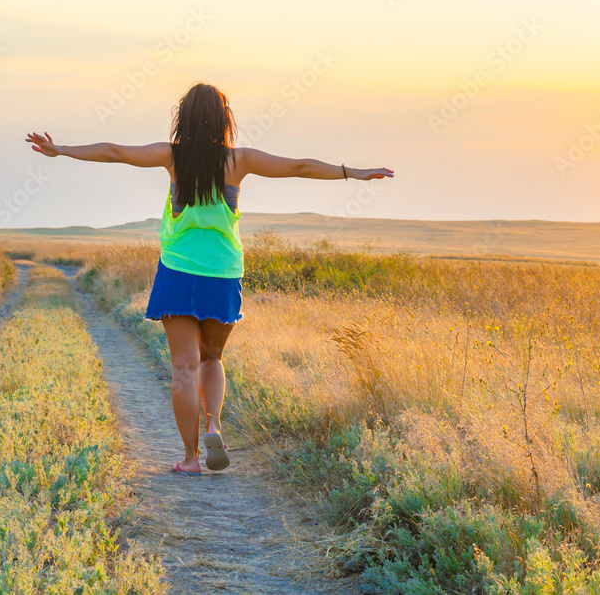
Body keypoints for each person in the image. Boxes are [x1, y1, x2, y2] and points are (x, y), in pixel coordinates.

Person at [25, 82, 394, 476]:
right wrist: (351, 173)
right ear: (225, 120)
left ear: (182, 118)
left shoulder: (172, 157)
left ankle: (189, 458)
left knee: (183, 368)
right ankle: (213, 424)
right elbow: (300, 166)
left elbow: (115, 153)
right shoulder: (240, 160)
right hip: (223, 273)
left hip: (179, 272)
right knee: (212, 358)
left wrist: (61, 149)